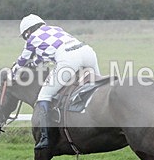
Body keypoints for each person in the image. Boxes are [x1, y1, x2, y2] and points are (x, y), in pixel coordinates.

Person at [13, 14, 101, 149]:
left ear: (27, 31)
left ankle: (45, 137)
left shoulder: (31, 39)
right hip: (88, 52)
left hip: (69, 59)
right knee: (98, 87)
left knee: (43, 96)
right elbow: (41, 58)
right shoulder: (55, 29)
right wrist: (34, 63)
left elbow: (23, 61)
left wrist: (13, 70)